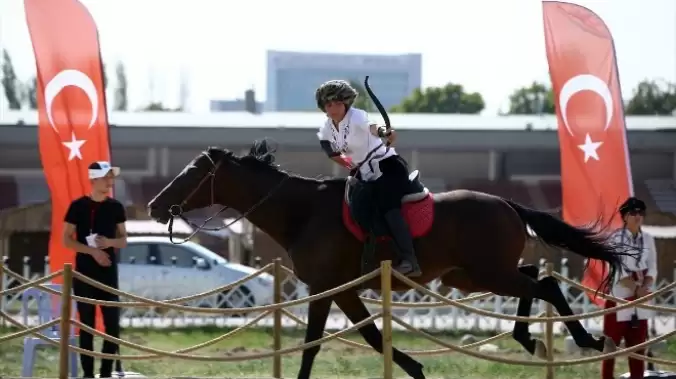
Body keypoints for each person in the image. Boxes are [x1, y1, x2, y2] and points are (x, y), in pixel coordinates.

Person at [315, 79, 421, 277]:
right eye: (328, 104)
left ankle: (410, 259)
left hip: (388, 167)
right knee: (356, 207)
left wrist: (384, 132)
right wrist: (352, 166)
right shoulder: (326, 129)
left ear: (345, 103)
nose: (333, 107)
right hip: (363, 173)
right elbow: (332, 153)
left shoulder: (357, 117)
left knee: (388, 206)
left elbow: (372, 127)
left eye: (338, 102)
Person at [62, 161, 128, 378]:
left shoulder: (116, 206)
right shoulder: (77, 206)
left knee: (112, 326)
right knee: (87, 326)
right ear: (94, 179)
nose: (110, 181)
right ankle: (88, 375)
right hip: (84, 275)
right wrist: (93, 252)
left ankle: (106, 373)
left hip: (108, 274)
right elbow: (66, 240)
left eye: (111, 177)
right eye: (106, 177)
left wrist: (108, 242)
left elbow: (123, 241)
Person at [601, 196, 657, 379]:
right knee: (611, 347)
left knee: (638, 348)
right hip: (619, 298)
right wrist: (636, 289)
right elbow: (618, 270)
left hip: (641, 299)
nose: (638, 216)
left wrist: (645, 286)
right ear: (625, 217)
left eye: (641, 212)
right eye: (633, 213)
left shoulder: (648, 239)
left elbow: (653, 267)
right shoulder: (615, 239)